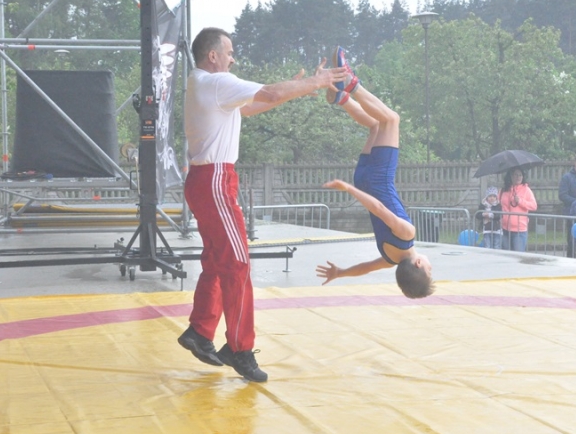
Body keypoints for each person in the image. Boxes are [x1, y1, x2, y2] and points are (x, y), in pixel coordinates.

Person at [177, 28, 347, 383]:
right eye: (229, 52)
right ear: (213, 55)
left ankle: (200, 330)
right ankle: (239, 349)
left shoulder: (200, 83)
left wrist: (296, 88)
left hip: (202, 180)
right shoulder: (217, 82)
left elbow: (252, 107)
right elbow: (269, 92)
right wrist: (316, 82)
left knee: (218, 259)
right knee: (237, 263)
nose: (233, 58)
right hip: (215, 180)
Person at [316, 47, 435, 299]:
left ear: (418, 264)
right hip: (365, 179)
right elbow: (366, 268)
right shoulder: (389, 257)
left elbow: (379, 208)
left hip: (378, 178)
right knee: (375, 125)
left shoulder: (407, 234)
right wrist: (339, 273)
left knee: (391, 119)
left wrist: (349, 190)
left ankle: (350, 83)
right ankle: (340, 98)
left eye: (429, 270)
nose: (431, 266)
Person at [500, 167, 537, 252]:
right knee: (505, 255)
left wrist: (520, 201)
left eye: (520, 175)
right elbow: (498, 204)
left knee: (517, 255)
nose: (518, 177)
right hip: (504, 229)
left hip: (519, 230)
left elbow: (533, 206)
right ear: (511, 176)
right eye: (516, 175)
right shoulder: (504, 190)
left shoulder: (526, 190)